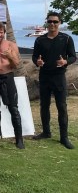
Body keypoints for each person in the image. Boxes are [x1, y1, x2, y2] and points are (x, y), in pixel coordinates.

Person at [32, 12, 76, 149]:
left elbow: (73, 57)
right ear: (47, 22)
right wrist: (37, 62)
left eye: (55, 22)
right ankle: (46, 132)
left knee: (61, 107)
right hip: (44, 76)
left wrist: (65, 62)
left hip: (59, 77)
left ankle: (64, 137)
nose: (52, 24)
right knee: (44, 106)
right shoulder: (40, 40)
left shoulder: (67, 39)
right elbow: (34, 57)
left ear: (59, 23)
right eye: (50, 21)